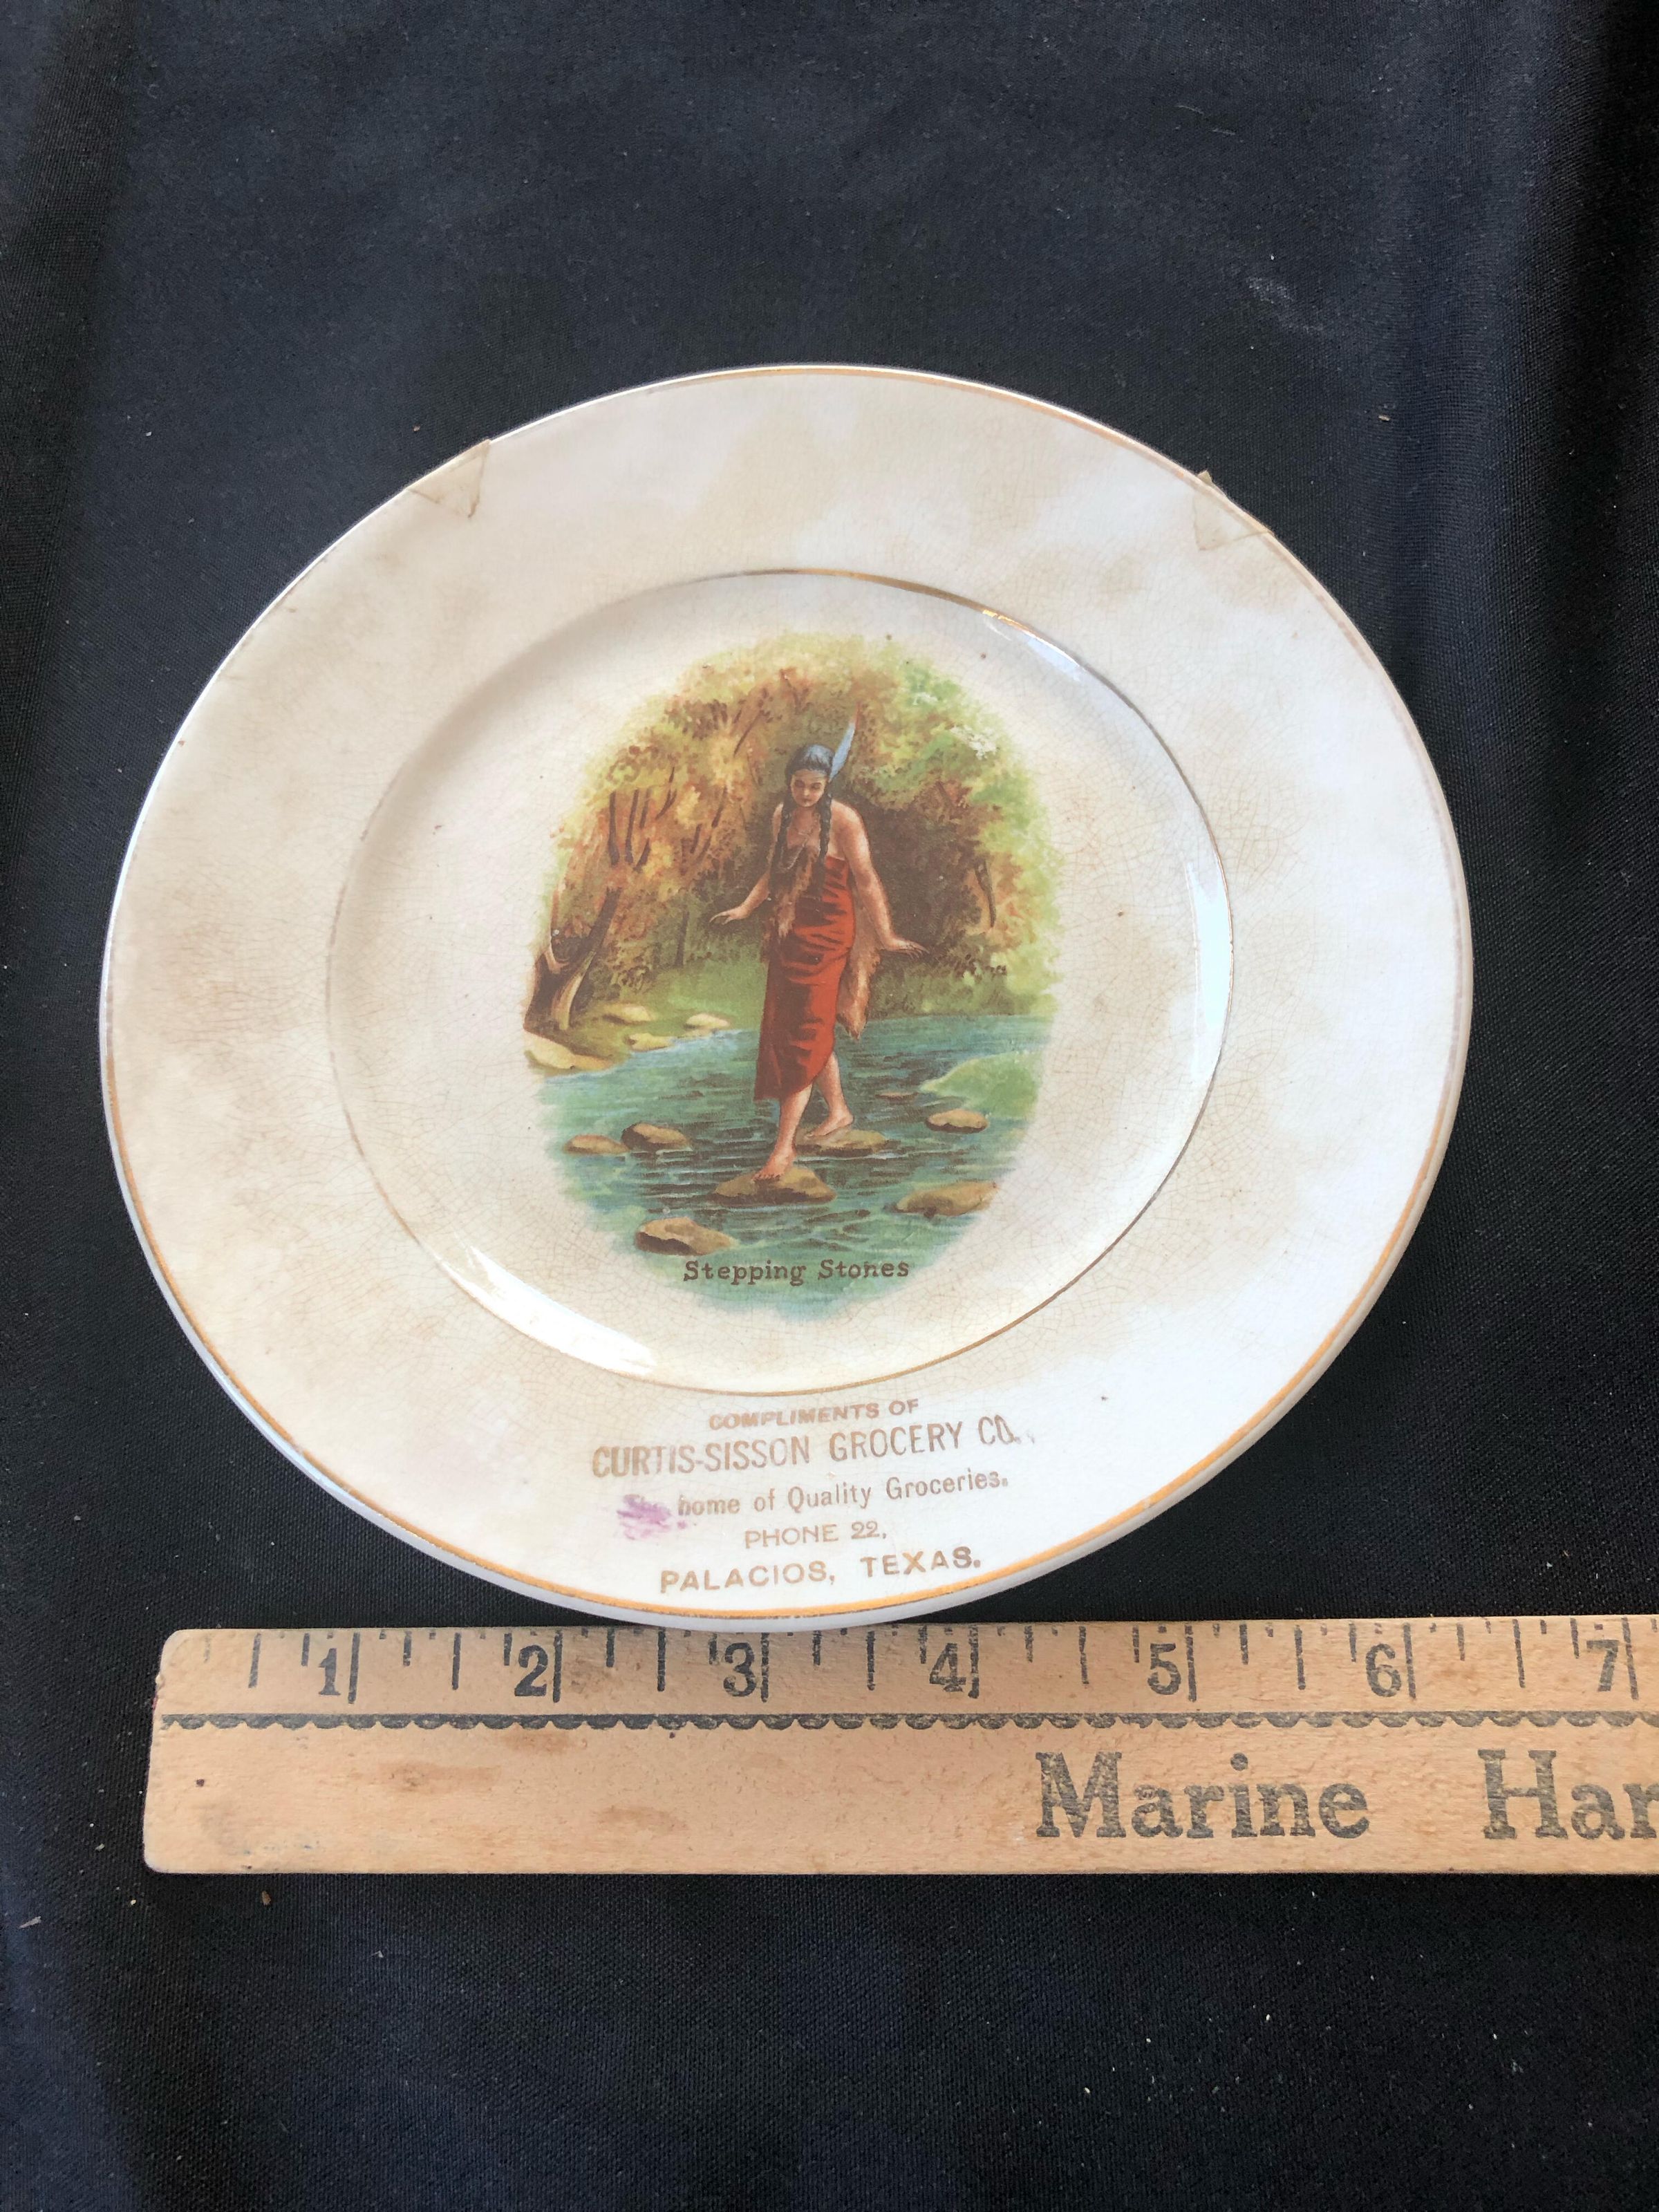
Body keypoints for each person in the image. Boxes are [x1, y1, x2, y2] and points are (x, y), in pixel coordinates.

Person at [713, 740, 921, 1179]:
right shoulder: (782, 815)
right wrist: (747, 907)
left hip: (830, 937)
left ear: (827, 786)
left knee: (806, 1033)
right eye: (799, 785)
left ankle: (783, 1147)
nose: (805, 794)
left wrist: (886, 935)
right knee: (800, 1027)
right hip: (790, 934)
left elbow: (867, 880)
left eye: (814, 787)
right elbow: (774, 872)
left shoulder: (845, 820)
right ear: (789, 782)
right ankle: (839, 1111)